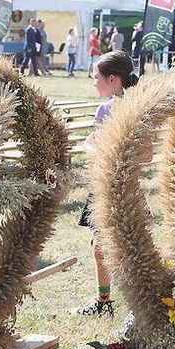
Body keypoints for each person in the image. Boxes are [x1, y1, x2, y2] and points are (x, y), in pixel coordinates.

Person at [74, 50, 139, 316]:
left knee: (125, 248)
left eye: (96, 77)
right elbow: (92, 142)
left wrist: (102, 150)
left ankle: (135, 306)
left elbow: (143, 154)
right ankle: (104, 302)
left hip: (122, 187)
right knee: (98, 244)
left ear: (112, 79)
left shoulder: (136, 107)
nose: (93, 83)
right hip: (103, 183)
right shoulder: (106, 109)